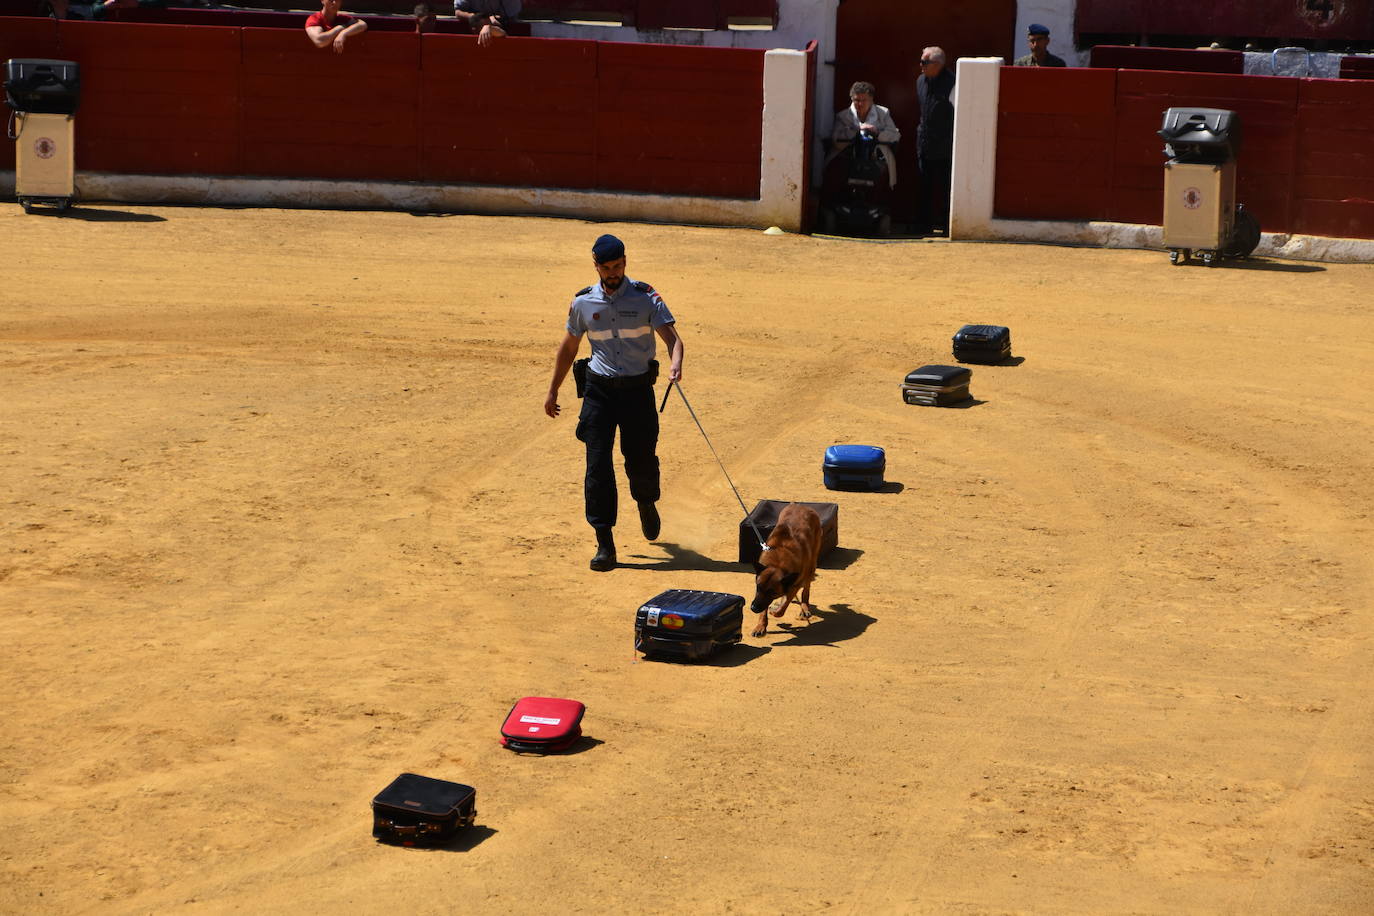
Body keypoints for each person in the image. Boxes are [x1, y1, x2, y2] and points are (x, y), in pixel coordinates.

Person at [544, 235, 685, 572]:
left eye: (617, 266)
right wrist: (553, 390)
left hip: (637, 392)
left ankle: (646, 501)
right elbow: (568, 349)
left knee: (640, 459)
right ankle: (604, 541)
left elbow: (673, 339)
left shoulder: (646, 297)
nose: (612, 273)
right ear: (596, 266)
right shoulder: (582, 303)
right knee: (597, 467)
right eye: (606, 268)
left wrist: (675, 363)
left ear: (625, 262)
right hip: (599, 392)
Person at [830, 80, 901, 189]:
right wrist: (856, 130)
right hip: (848, 158)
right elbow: (836, 141)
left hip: (877, 159)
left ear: (871, 100)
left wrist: (877, 132)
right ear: (851, 99)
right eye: (857, 100)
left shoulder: (883, 113)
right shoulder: (843, 116)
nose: (860, 104)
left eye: (864, 100)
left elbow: (895, 135)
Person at [916, 46, 955, 234]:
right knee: (925, 187)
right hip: (925, 143)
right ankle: (924, 225)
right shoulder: (920, 81)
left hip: (947, 145)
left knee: (947, 187)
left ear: (938, 64)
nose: (921, 65)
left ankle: (948, 225)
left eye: (925, 62)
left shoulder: (954, 83)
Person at [453, 0, 520, 46]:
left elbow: (509, 18)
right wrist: (479, 18)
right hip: (472, 32)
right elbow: (459, 12)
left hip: (501, 32)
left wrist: (490, 25)